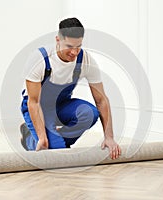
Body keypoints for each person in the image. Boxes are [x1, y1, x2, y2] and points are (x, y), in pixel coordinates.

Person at [20, 17, 121, 159]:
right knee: (53, 151)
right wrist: (42, 138)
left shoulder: (85, 59)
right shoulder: (40, 59)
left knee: (89, 113)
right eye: (69, 46)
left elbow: (101, 100)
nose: (74, 52)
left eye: (78, 46)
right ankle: (30, 138)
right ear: (58, 40)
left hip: (61, 105)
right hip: (38, 107)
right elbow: (34, 102)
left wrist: (109, 137)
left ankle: (55, 139)